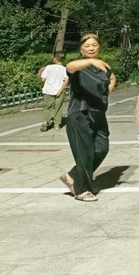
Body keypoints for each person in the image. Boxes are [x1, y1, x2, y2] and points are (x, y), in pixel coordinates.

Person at [59, 34, 117, 202]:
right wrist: (91, 61)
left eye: (94, 45)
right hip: (80, 113)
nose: (91, 48)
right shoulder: (79, 66)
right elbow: (69, 66)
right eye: (87, 46)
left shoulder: (103, 67)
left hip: (98, 114)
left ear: (99, 47)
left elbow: (111, 77)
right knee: (85, 153)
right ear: (81, 50)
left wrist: (107, 91)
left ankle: (72, 175)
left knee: (102, 148)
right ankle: (81, 190)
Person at [39, 54, 69, 132]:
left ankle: (45, 121)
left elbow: (43, 79)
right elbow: (66, 80)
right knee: (58, 107)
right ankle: (56, 125)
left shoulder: (48, 67)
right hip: (59, 91)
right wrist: (60, 91)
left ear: (55, 59)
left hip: (48, 90)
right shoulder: (64, 69)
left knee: (47, 107)